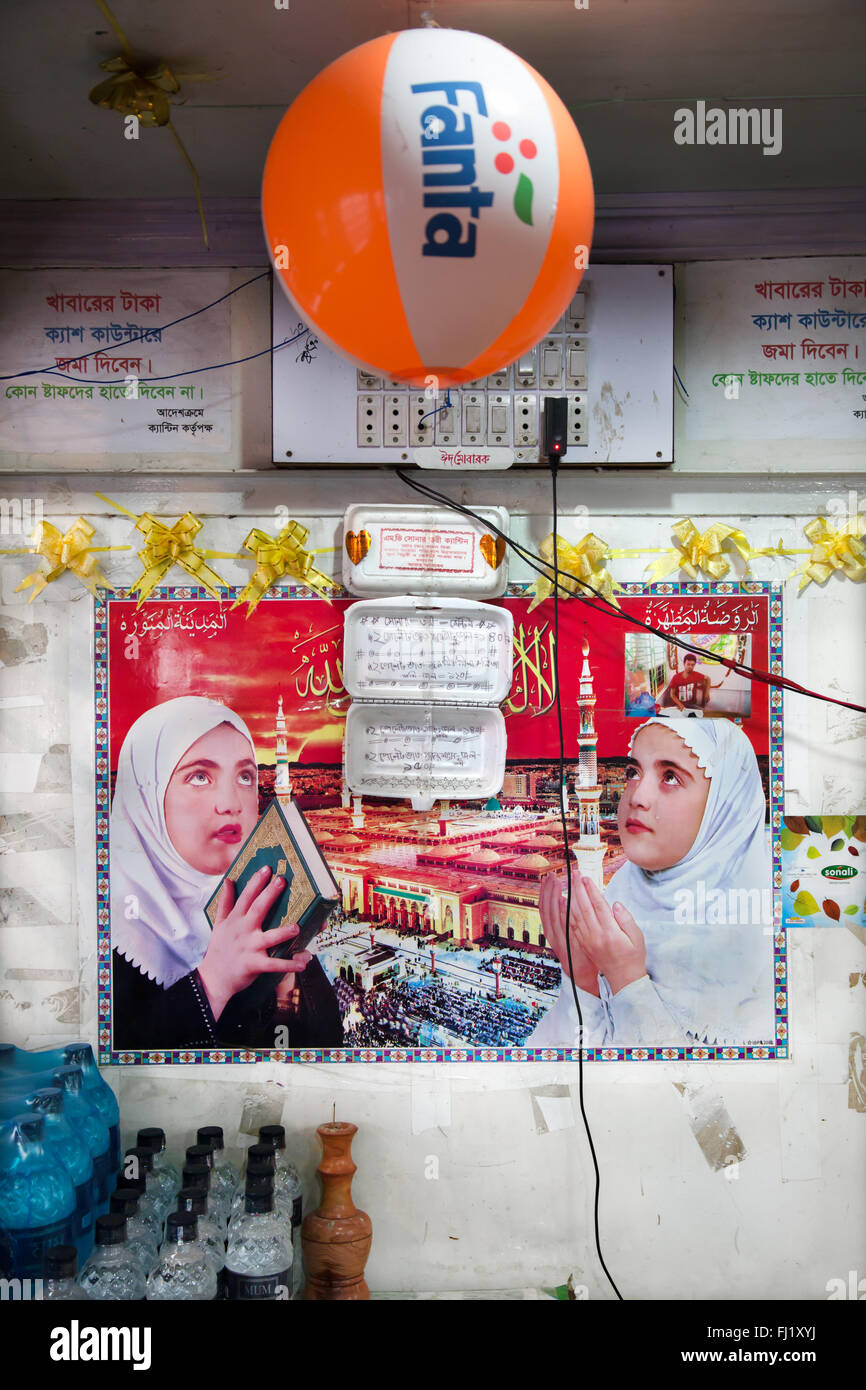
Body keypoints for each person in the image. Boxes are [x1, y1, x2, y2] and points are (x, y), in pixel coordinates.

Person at [110, 696, 343, 1050]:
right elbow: (123, 1080)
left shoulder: (251, 906)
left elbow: (322, 1051)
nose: (231, 803)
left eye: (246, 776)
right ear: (147, 798)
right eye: (200, 776)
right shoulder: (113, 940)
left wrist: (285, 981)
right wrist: (214, 983)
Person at [528, 718, 773, 1048]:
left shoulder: (762, 954)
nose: (637, 796)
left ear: (723, 805)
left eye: (670, 777)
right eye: (632, 773)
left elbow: (696, 1094)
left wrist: (626, 979)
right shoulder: (622, 898)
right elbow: (566, 1080)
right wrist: (581, 979)